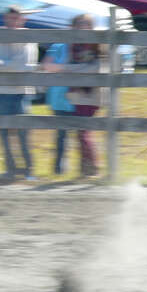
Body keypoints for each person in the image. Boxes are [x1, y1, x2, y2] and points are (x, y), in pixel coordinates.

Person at [43, 13, 106, 179]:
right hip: (70, 96)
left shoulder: (94, 45)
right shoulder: (69, 46)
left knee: (83, 133)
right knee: (72, 134)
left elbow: (94, 68)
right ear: (72, 27)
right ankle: (78, 170)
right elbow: (48, 66)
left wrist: (66, 68)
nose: (83, 28)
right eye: (79, 25)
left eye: (86, 25)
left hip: (88, 94)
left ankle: (92, 168)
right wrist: (71, 69)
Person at [0, 5, 38, 181]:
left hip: (22, 90)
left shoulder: (29, 37)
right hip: (0, 90)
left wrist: (4, 65)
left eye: (16, 18)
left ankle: (29, 169)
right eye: (9, 18)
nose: (12, 22)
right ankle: (10, 169)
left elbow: (27, 65)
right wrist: (10, 65)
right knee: (3, 133)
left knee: (24, 132)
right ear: (4, 19)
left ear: (22, 20)